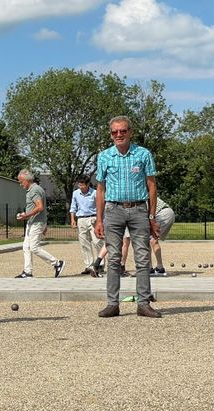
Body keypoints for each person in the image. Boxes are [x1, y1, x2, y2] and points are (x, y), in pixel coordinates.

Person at [94, 115, 162, 318]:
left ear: (130, 132)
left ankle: (143, 303)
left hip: (139, 209)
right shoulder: (104, 156)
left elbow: (151, 186)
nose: (119, 135)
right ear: (111, 135)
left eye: (123, 131)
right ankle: (112, 303)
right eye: (115, 132)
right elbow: (100, 189)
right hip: (113, 210)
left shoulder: (143, 154)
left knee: (142, 257)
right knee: (113, 258)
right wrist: (99, 219)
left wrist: (151, 216)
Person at [15, 169, 65, 279]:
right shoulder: (35, 189)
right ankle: (27, 272)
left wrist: (26, 215)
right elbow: (40, 208)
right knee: (26, 247)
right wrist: (27, 215)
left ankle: (57, 263)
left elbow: (40, 207)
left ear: (27, 180)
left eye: (21, 181)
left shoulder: (34, 190)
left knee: (34, 247)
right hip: (33, 222)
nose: (20, 184)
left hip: (36, 223)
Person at [69, 174, 105, 276]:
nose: (80, 187)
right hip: (81, 219)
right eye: (79, 184)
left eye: (82, 185)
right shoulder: (75, 193)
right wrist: (73, 219)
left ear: (88, 184)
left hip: (93, 218)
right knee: (84, 244)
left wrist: (100, 220)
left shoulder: (94, 193)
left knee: (97, 241)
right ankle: (88, 265)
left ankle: (100, 264)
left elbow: (100, 207)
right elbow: (73, 207)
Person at [148, 196, 176, 276]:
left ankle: (151, 268)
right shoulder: (145, 193)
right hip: (169, 212)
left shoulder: (141, 198)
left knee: (149, 240)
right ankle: (158, 267)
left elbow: (148, 214)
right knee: (153, 239)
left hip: (162, 214)